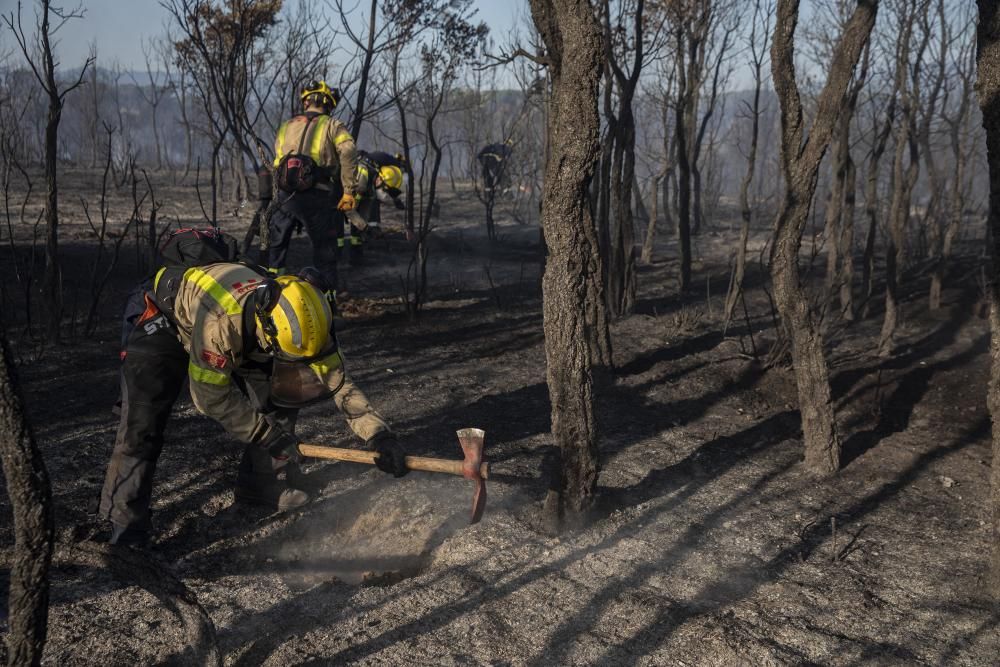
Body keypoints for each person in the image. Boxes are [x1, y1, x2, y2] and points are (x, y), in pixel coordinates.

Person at [98, 252, 408, 546]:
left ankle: (261, 484)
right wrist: (268, 436)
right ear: (267, 327)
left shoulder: (308, 314)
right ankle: (123, 528)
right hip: (163, 316)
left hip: (244, 330)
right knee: (142, 421)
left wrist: (379, 436)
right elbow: (209, 397)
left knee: (283, 393)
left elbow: (338, 382)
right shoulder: (220, 324)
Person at [268, 80, 359, 296]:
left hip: (285, 198)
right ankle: (327, 304)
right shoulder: (333, 125)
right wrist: (348, 191)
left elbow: (277, 163)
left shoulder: (286, 126)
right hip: (318, 196)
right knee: (325, 254)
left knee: (277, 251)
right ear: (328, 103)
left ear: (306, 101)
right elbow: (348, 151)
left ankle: (270, 296)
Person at [337, 150, 407, 264]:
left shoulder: (372, 187)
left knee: (358, 224)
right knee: (335, 226)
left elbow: (363, 210)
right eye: (385, 190)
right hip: (334, 195)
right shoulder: (362, 181)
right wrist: (365, 227)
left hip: (349, 196)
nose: (385, 194)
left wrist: (367, 229)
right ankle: (336, 259)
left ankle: (356, 257)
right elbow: (348, 209)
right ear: (380, 180)